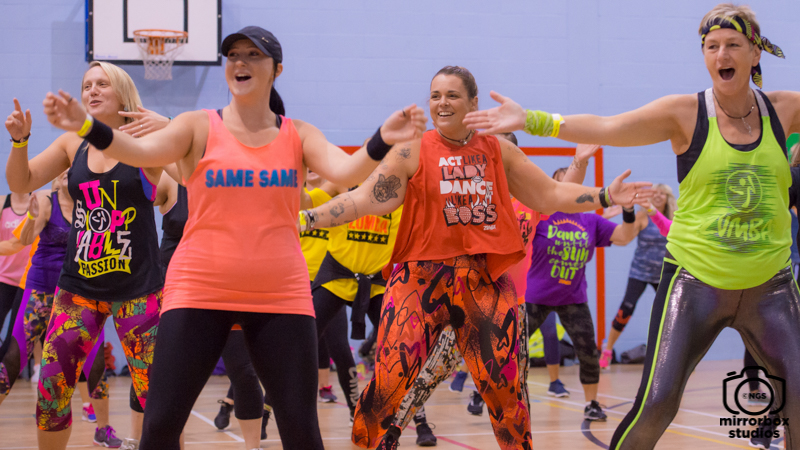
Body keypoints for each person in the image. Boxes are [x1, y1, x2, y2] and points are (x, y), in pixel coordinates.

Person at [40, 26, 426, 450]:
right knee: (160, 426)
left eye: (253, 55)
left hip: (281, 296)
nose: (241, 62)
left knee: (301, 430)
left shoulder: (299, 134)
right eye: (234, 55)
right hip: (198, 291)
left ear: (277, 69)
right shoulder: (197, 125)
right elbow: (140, 152)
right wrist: (86, 126)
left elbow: (347, 171)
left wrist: (382, 139)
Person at [463, 4, 800, 448]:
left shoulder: (786, 109)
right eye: (712, 46)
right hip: (695, 283)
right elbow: (609, 127)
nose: (722, 54)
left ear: (755, 53)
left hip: (770, 286)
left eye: (733, 45)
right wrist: (533, 120)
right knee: (657, 404)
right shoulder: (686, 112)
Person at [300, 65, 651, 449]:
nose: (442, 103)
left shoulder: (499, 151)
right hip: (420, 280)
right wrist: (307, 218)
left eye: (452, 95)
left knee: (507, 395)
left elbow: (550, 194)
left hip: (483, 282)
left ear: (473, 102)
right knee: (388, 382)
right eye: (435, 95)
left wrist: (605, 195)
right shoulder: (411, 150)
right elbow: (364, 198)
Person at [6, 61, 168, 450]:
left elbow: (188, 164)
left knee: (159, 397)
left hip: (138, 289)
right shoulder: (71, 144)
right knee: (52, 392)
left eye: (102, 84)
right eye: (86, 85)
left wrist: (166, 125)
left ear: (122, 93)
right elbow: (21, 181)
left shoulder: (145, 143)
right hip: (78, 290)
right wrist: (20, 142)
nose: (92, 90)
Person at [525, 144, 643, 422]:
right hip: (534, 297)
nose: (569, 188)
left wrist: (628, 210)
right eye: (562, 183)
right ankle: (483, 393)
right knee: (509, 348)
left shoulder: (591, 222)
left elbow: (625, 236)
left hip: (573, 299)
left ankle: (591, 403)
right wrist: (579, 161)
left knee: (589, 352)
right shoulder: (541, 215)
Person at [599, 183, 676, 368]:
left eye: (662, 193)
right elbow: (624, 238)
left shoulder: (674, 219)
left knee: (671, 313)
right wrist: (606, 221)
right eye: (655, 193)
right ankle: (607, 350)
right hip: (639, 272)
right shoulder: (643, 217)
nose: (658, 196)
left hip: (663, 274)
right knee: (626, 308)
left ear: (667, 198)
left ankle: (676, 355)